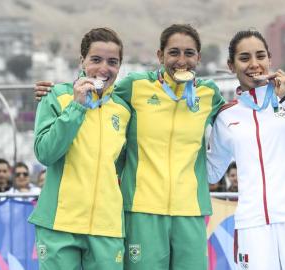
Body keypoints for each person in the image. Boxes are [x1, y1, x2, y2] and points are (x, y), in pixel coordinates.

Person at [35, 23, 225, 270]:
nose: (181, 60)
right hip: (131, 210)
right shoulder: (132, 88)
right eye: (174, 52)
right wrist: (63, 97)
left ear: (198, 57)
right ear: (160, 56)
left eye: (189, 53)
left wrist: (281, 97)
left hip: (179, 211)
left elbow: (236, 113)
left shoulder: (209, 94)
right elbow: (47, 150)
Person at [207, 29, 285, 270]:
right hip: (252, 225)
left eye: (260, 56)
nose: (254, 64)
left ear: (270, 59)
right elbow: (212, 172)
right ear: (231, 65)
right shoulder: (226, 115)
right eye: (244, 58)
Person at [28, 27, 130, 270]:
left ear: (120, 66)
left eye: (112, 62)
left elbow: (120, 165)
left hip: (107, 226)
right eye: (96, 59)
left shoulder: (124, 110)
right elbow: (45, 153)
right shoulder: (56, 97)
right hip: (60, 223)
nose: (104, 68)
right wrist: (77, 107)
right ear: (82, 61)